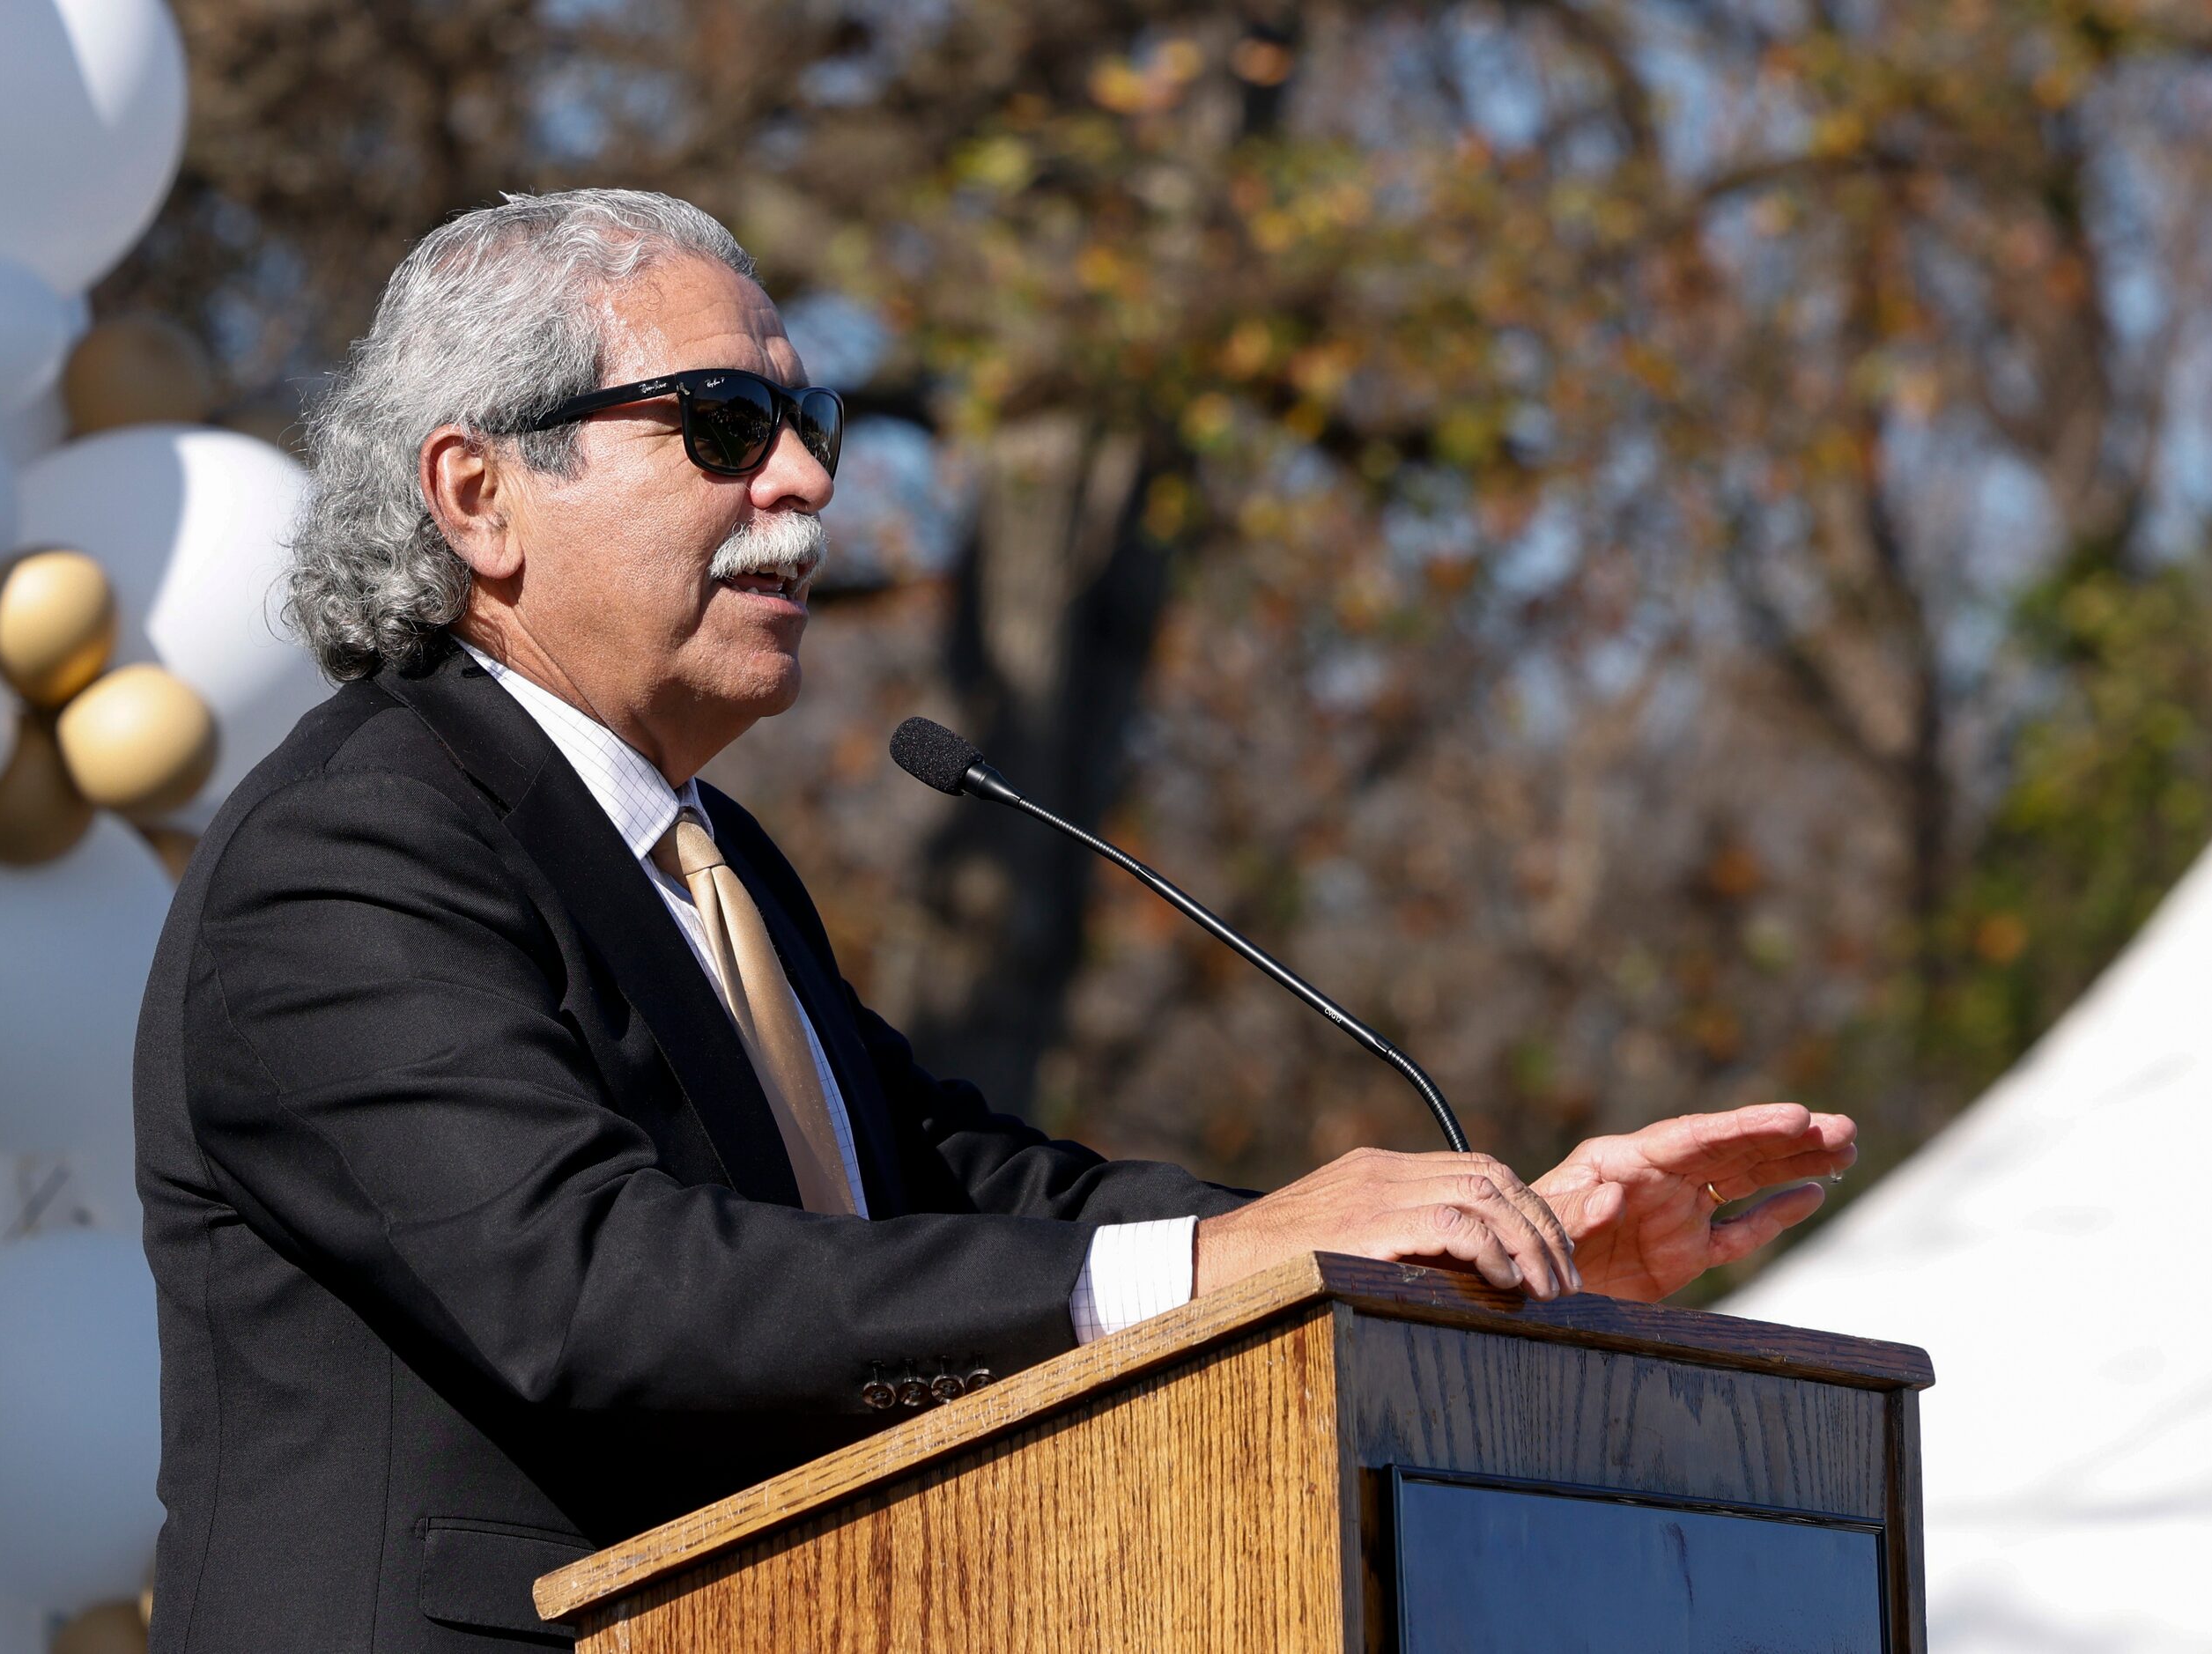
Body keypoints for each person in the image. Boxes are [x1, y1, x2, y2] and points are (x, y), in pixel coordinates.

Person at [132, 189, 1856, 1653]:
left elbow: (959, 1189)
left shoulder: (707, 859)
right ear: (475, 492)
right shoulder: (352, 848)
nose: (805, 487)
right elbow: (593, 1293)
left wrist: (1444, 1253)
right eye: (723, 426)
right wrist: (1200, 1271)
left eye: (809, 431)